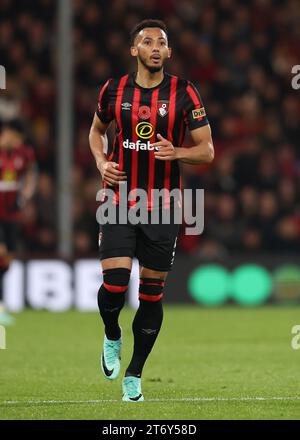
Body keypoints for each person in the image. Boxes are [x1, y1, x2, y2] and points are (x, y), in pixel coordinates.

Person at [89, 19, 214, 402]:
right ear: (134, 50)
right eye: (147, 41)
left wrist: (178, 152)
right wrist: (100, 162)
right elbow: (97, 132)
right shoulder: (114, 90)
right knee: (114, 284)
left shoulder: (184, 92)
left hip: (163, 206)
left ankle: (135, 374)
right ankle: (112, 333)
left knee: (151, 295)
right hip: (118, 200)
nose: (155, 46)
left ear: (169, 52)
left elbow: (207, 150)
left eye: (162, 42)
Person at [0, 120, 36, 325]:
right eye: (13, 138)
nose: (15, 142)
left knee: (7, 261)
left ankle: (1, 304)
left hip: (11, 213)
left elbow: (31, 173)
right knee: (1, 252)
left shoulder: (24, 153)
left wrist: (24, 195)